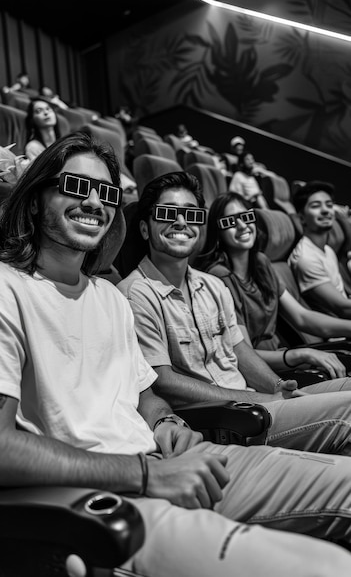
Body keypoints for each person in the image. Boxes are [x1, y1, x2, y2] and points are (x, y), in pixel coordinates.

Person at [1, 137, 351, 576]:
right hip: (103, 498)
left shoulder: (107, 296)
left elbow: (144, 391)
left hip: (170, 462)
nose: (94, 201)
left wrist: (166, 422)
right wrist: (145, 476)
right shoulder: (8, 289)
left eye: (108, 193)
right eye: (75, 185)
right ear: (35, 201)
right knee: (329, 568)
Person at [118, 170, 351, 455]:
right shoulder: (136, 293)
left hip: (255, 401)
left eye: (191, 215)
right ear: (144, 229)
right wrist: (268, 398)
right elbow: (164, 382)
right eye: (168, 213)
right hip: (225, 419)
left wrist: (278, 387)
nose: (181, 222)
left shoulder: (213, 285)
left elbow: (241, 352)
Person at [195, 190, 351, 374]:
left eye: (246, 216)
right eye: (229, 222)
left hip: (282, 358)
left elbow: (301, 317)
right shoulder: (219, 277)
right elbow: (244, 355)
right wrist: (301, 355)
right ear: (218, 233)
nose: (242, 225)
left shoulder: (261, 263)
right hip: (259, 371)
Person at [289, 180, 351, 318]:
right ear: (301, 218)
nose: (325, 210)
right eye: (316, 206)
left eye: (329, 205)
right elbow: (342, 308)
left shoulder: (328, 250)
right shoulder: (305, 258)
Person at [24, 97, 62, 162]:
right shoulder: (33, 147)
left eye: (48, 109)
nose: (46, 113)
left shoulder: (62, 142)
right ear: (32, 120)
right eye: (39, 111)